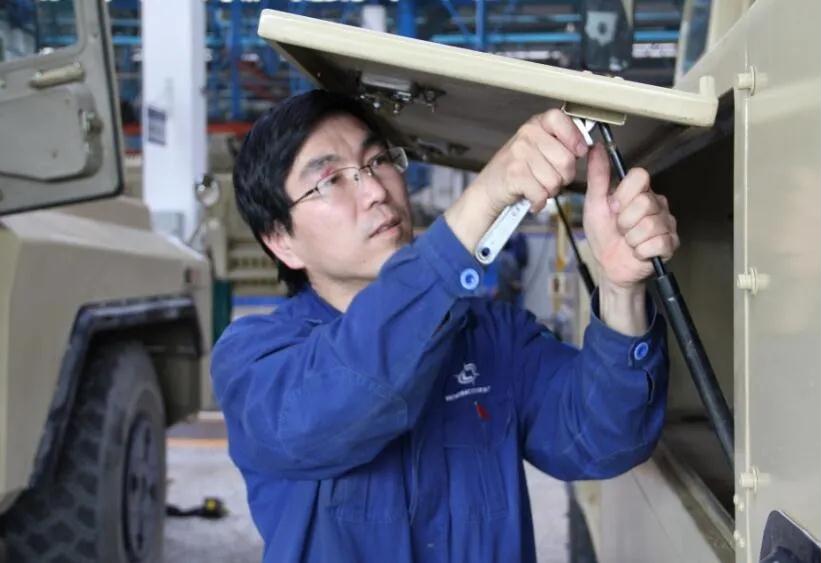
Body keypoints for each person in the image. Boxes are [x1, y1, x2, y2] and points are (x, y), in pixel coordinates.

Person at [212, 90, 679, 562]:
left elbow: (601, 439)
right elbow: (346, 392)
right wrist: (485, 197)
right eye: (331, 180)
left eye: (378, 161)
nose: (375, 191)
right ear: (281, 241)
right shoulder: (256, 362)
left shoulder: (490, 335)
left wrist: (620, 290)